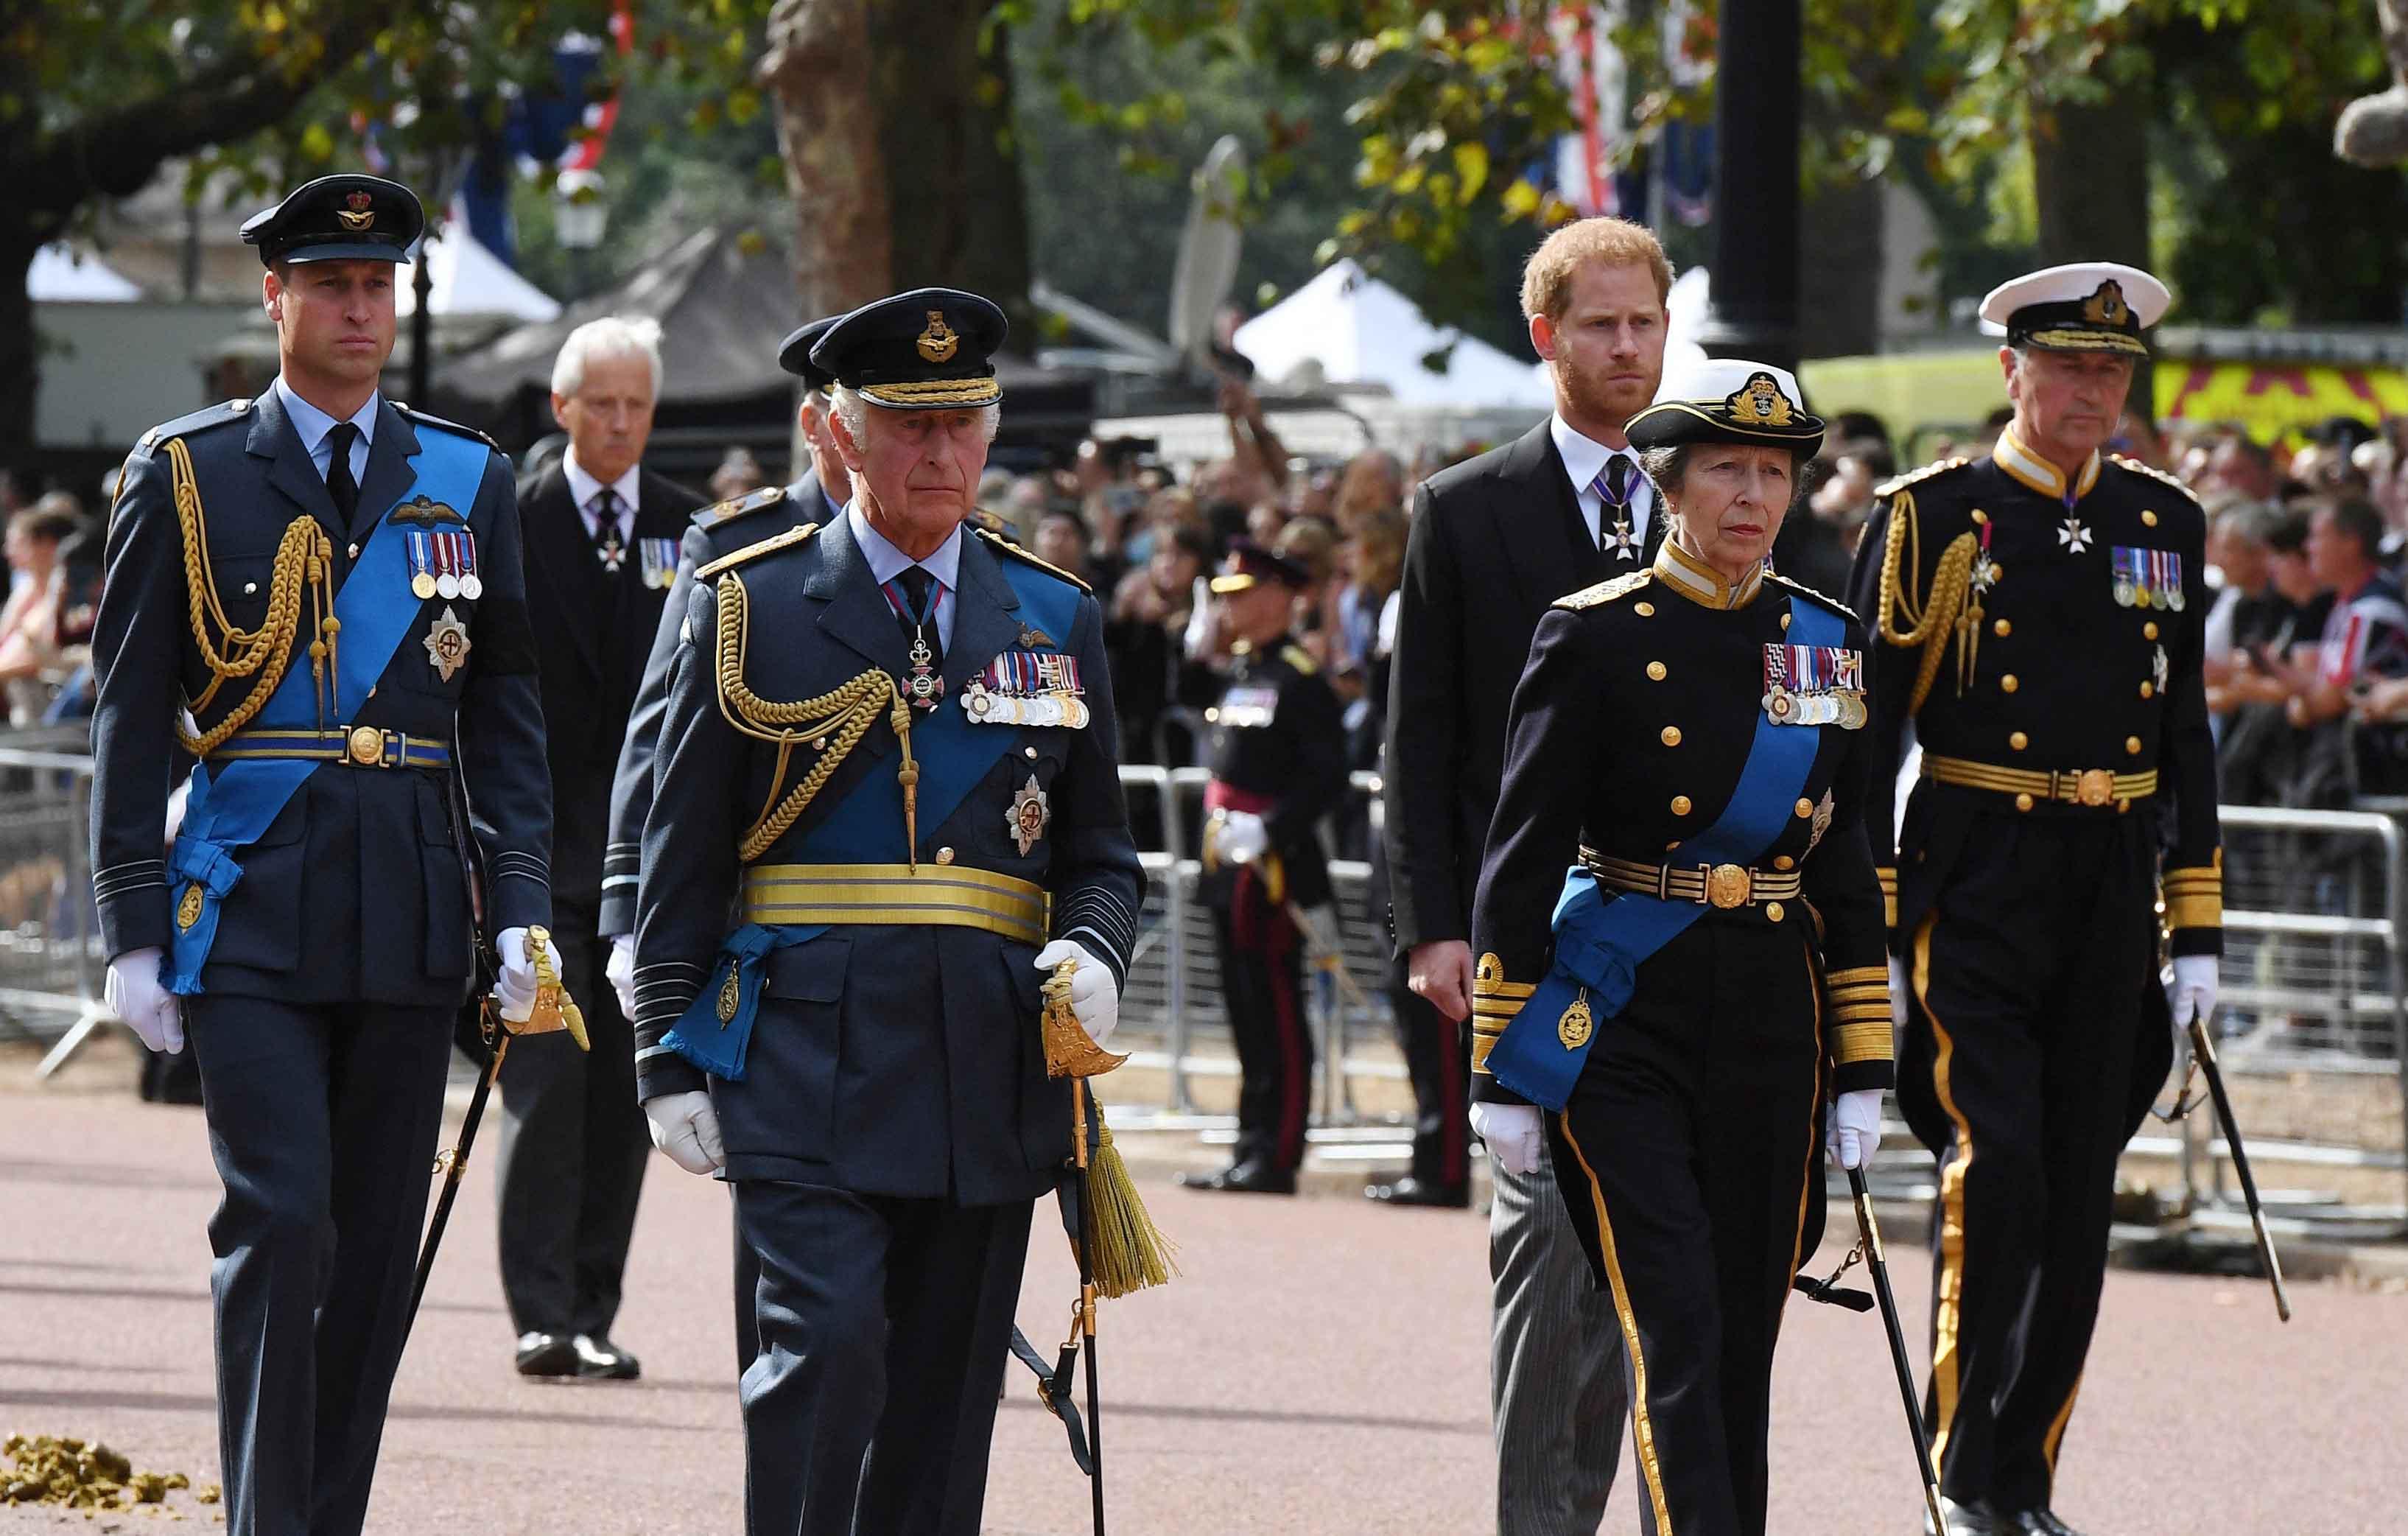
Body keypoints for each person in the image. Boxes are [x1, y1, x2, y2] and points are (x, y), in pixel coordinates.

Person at [628, 288, 1142, 1536]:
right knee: (829, 1353)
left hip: (982, 1063)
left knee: (942, 1400)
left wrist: (1090, 946)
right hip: (804, 1051)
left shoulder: (1053, 614)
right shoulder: (745, 603)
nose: (940, 453)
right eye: (907, 424)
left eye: (964, 423)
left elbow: (1101, 853)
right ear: (837, 432)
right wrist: (660, 1045)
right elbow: (677, 848)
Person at [88, 173, 551, 1536]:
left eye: (379, 286)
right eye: (332, 285)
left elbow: (507, 718)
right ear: (276, 295)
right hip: (252, 912)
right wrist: (126, 929)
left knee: (368, 1261)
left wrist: (519, 909)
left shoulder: (469, 477)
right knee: (281, 1225)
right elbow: (128, 710)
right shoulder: (190, 471)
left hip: (409, 915)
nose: (359, 309)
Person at [1472, 358, 1890, 1536]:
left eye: (1773, 471)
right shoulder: (1595, 634)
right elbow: (1523, 845)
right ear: (1667, 482)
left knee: (1742, 1336)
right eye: (1725, 469)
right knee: (1677, 1322)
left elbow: (1846, 859)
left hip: (1771, 1020)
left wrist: (1863, 1061)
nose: (1752, 495)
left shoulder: (1828, 642)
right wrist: (1502, 1064)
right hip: (1625, 1020)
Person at [1849, 262, 2222, 1536]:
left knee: (2075, 1190)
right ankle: (1958, 1468)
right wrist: (1875, 927)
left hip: (2110, 881)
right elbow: (1864, 742)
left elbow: (2184, 738)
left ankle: (2025, 1477)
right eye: (2065, 366)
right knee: (1993, 1165)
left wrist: (2200, 933)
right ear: (2009, 372)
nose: (2089, 390)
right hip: (1979, 872)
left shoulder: (2162, 522)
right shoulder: (1933, 519)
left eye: (2110, 370)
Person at [1384, 214, 1671, 1535]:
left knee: (1651, 1275)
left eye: (1645, 323)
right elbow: (1422, 741)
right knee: (1545, 1257)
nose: (1627, 348)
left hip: (1681, 938)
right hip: (1532, 939)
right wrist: (1432, 926)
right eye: (1601, 325)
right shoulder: (1464, 508)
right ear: (1545, 337)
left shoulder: (1713, 489)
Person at [599, 312, 850, 1373]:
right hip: (761, 927)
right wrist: (628, 911)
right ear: (821, 427)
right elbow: (658, 744)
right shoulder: (732, 543)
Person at [493, 315, 705, 1381]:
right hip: (535, 847)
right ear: (562, 408)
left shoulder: (689, 530)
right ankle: (539, 1308)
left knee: (626, 1099)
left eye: (638, 406)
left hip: (643, 864)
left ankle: (593, 1305)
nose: (621, 423)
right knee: (545, 1090)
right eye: (602, 404)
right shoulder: (515, 520)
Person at [1179, 541, 1348, 1195]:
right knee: (1244, 1008)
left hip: (1274, 869)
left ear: (1280, 596)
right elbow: (1191, 698)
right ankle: (1250, 1140)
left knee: (1276, 1008)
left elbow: (1326, 775)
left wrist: (1271, 827)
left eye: (1242, 593)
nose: (1231, 607)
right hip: (1230, 864)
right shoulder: (1244, 668)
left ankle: (1276, 1150)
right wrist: (1194, 646)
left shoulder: (1299, 678)